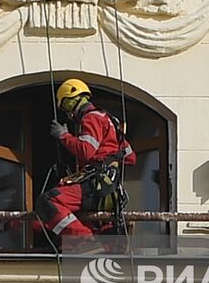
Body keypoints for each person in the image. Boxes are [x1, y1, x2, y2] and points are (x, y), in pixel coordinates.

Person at [34, 78, 137, 248]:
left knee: (47, 202)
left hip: (95, 184)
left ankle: (83, 239)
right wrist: (110, 158)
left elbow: (86, 151)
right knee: (75, 214)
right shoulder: (111, 122)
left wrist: (63, 136)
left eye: (66, 108)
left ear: (71, 101)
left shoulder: (90, 118)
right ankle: (97, 243)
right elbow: (131, 157)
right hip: (110, 188)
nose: (69, 114)